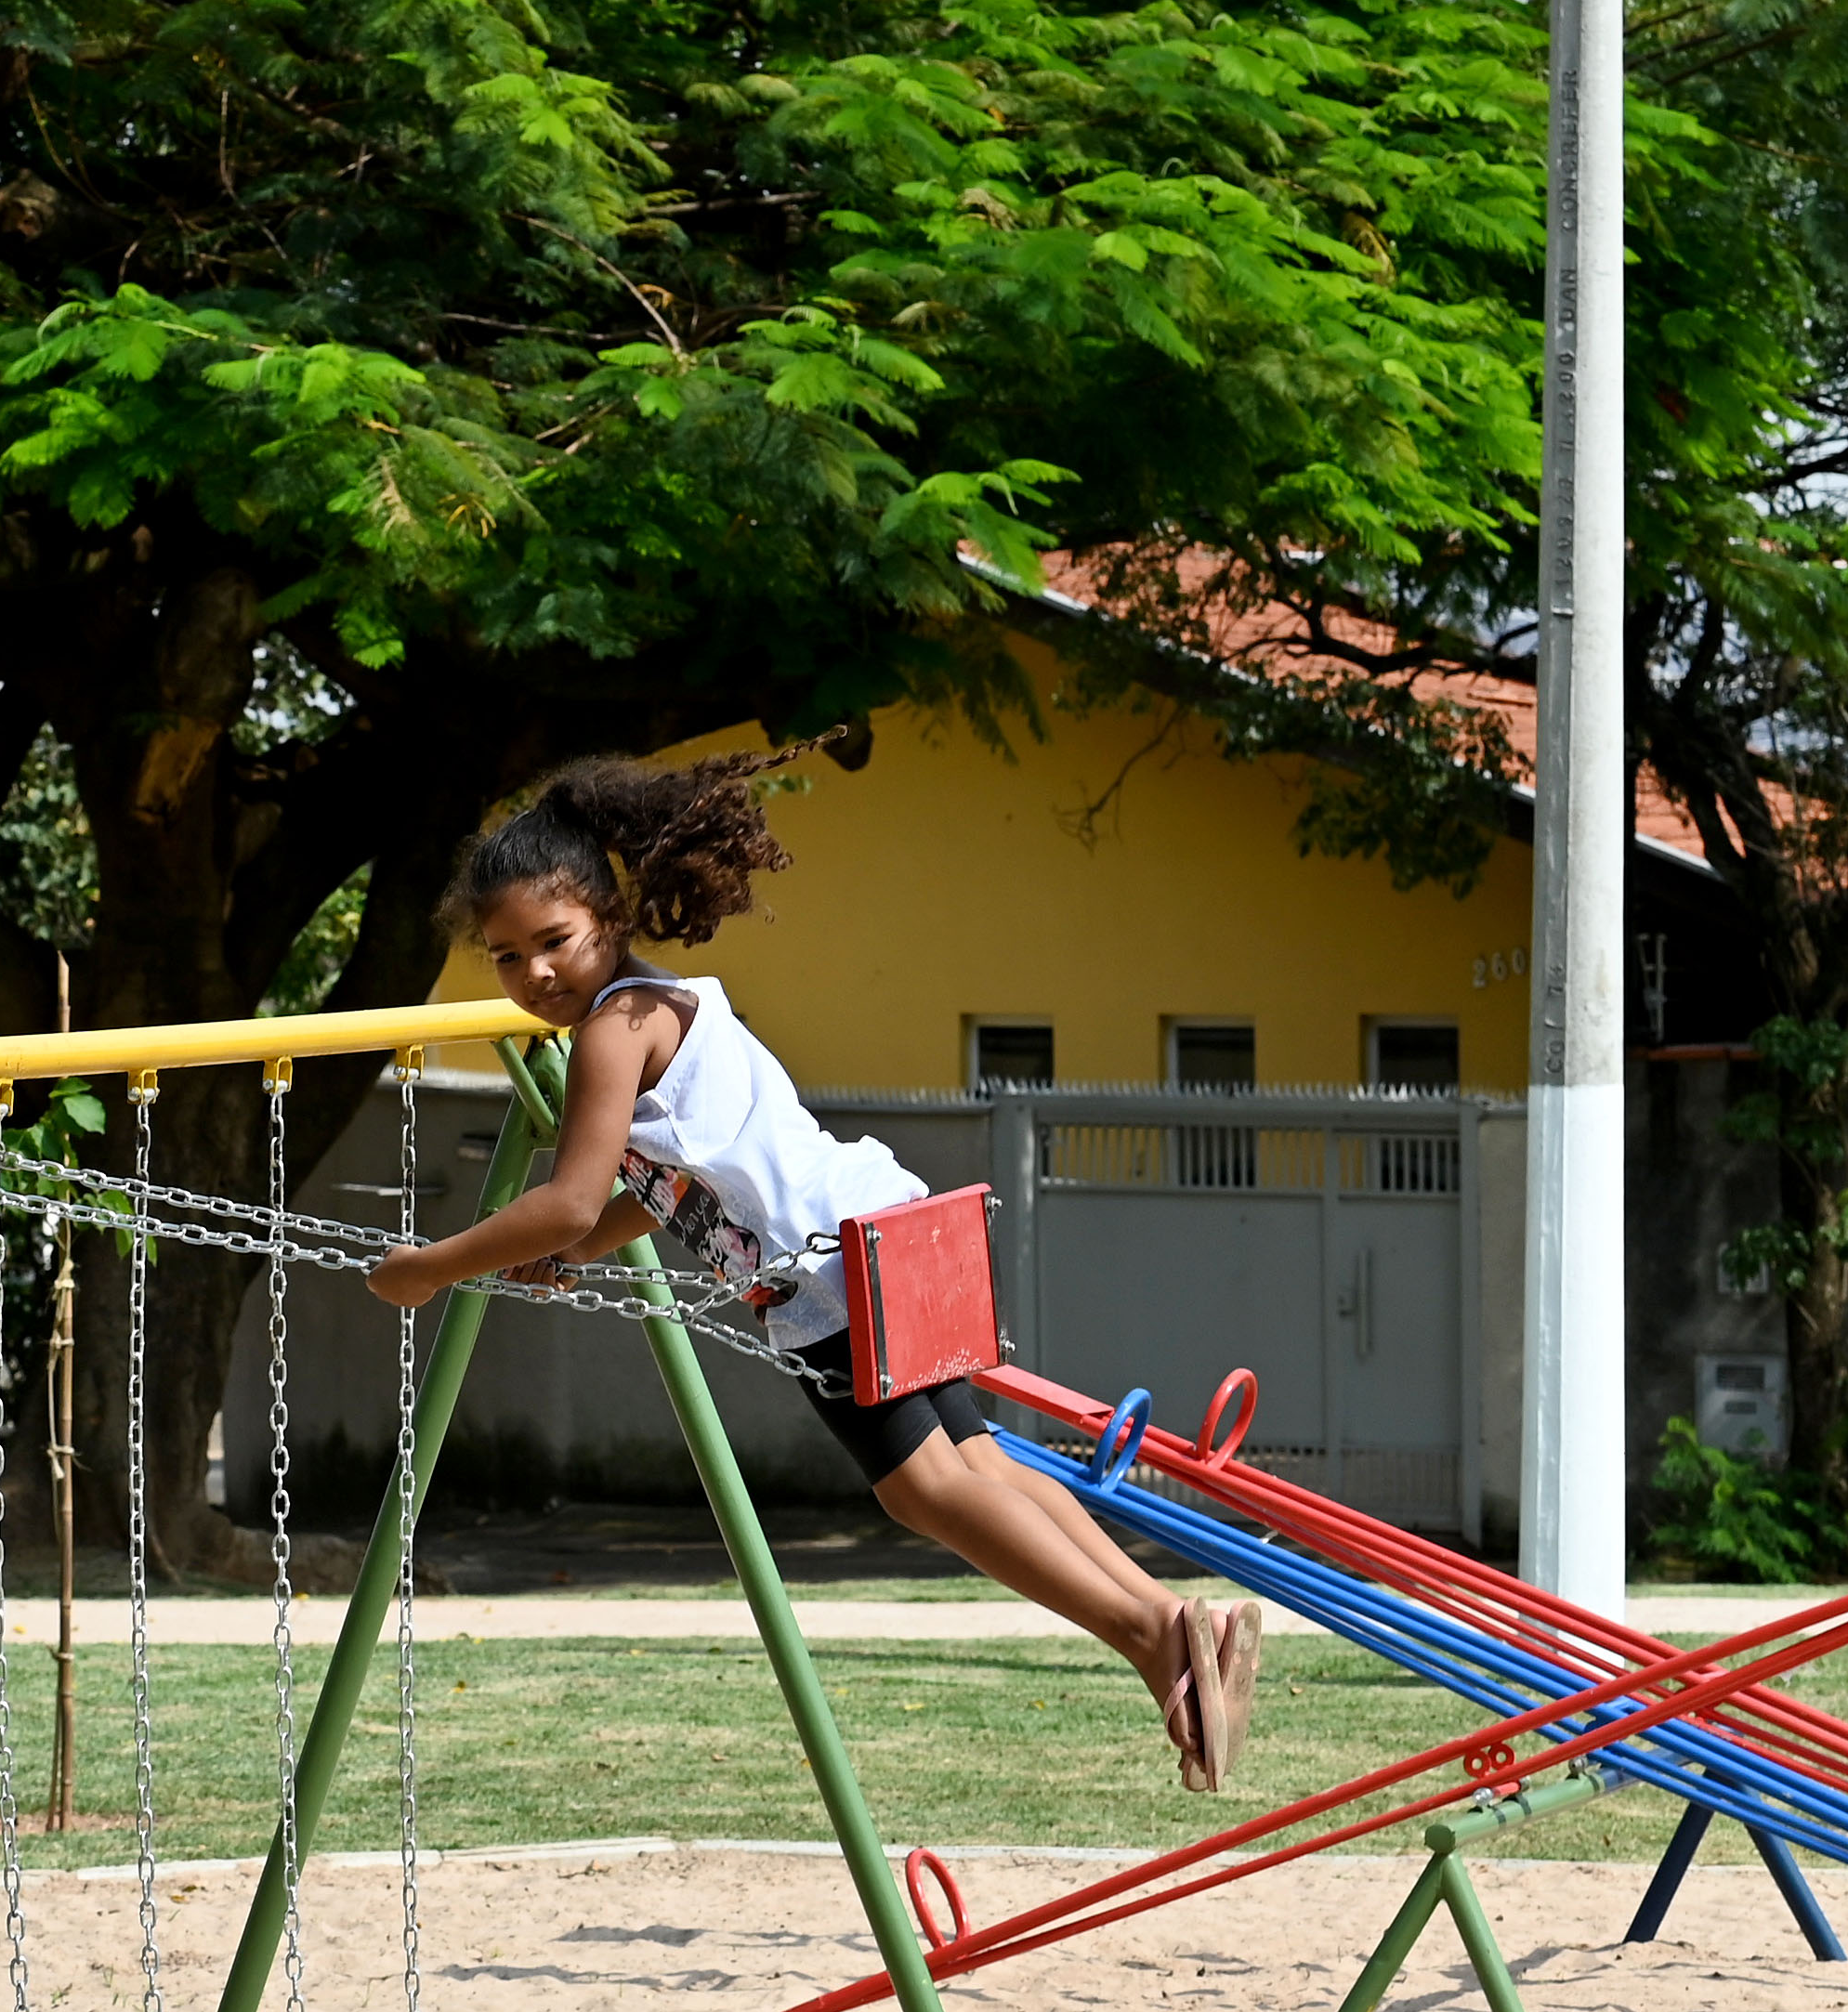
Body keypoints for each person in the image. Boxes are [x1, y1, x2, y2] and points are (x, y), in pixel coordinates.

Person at [368, 755, 1257, 1788]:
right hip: (883, 1222)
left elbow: (568, 1192)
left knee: (923, 1490)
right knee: (977, 1462)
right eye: (506, 956)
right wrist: (564, 1250)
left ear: (607, 915)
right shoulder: (676, 1000)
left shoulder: (613, 1028)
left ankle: (1152, 1633)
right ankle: (1173, 1625)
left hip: (826, 1268)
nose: (534, 975)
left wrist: (430, 1267)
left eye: (553, 941)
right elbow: (653, 1195)